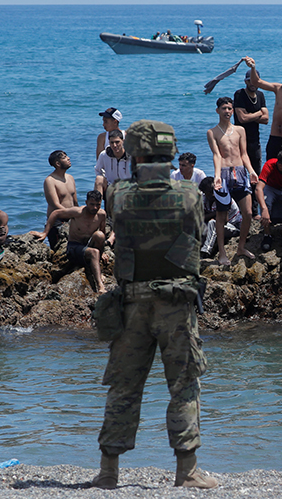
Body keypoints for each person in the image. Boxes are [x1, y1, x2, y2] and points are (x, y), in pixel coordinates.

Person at [91, 119, 215, 490]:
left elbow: (118, 219)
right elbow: (195, 229)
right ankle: (187, 471)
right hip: (176, 304)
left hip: (132, 304)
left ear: (133, 152)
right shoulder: (191, 195)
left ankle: (109, 472)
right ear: (171, 152)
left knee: (124, 386)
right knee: (184, 385)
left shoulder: (119, 195)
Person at [207, 96, 258, 265]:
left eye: (230, 108)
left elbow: (244, 154)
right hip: (224, 174)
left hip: (241, 173)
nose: (227, 111)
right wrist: (217, 176)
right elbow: (217, 155)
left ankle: (241, 247)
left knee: (248, 213)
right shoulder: (212, 132)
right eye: (224, 108)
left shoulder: (239, 130)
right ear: (218, 111)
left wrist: (251, 171)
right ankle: (222, 253)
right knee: (221, 217)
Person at [31, 190, 112, 293]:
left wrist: (103, 251)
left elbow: (103, 232)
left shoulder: (101, 214)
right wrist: (45, 233)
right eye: (92, 204)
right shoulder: (77, 212)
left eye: (98, 205)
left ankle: (96, 263)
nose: (95, 208)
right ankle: (100, 286)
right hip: (73, 248)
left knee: (100, 235)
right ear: (86, 203)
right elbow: (55, 213)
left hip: (87, 245)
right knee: (94, 252)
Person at [233, 69, 269, 176]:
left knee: (256, 171)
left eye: (255, 80)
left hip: (255, 140)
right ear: (246, 82)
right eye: (250, 81)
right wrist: (258, 113)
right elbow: (242, 119)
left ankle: (254, 192)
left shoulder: (260, 95)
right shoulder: (240, 94)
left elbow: (266, 119)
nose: (252, 83)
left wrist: (249, 115)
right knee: (240, 171)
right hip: (240, 140)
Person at [42, 150, 78, 250]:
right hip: (58, 220)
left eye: (67, 156)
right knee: (59, 250)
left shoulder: (70, 178)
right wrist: (72, 214)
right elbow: (54, 204)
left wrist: (79, 214)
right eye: (64, 157)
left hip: (71, 217)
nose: (68, 158)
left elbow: (75, 202)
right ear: (57, 163)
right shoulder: (50, 180)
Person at [199, 177, 243, 257]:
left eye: (214, 190)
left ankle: (206, 251)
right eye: (209, 192)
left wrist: (211, 214)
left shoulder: (223, 197)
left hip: (233, 226)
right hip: (218, 226)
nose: (213, 194)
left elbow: (223, 220)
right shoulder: (204, 199)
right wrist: (215, 213)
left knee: (213, 223)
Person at [95, 129, 131, 197]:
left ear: (123, 141)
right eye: (112, 142)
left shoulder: (131, 156)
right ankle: (97, 204)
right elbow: (97, 170)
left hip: (127, 186)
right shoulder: (104, 155)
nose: (114, 145)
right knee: (99, 179)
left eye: (117, 142)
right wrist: (105, 179)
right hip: (110, 186)